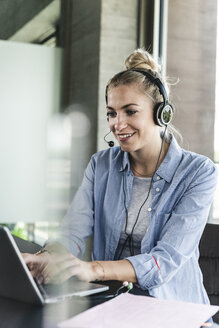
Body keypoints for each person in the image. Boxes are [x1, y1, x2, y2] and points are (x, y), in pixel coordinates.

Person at [23, 49, 217, 306]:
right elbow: (73, 230)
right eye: (112, 113)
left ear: (162, 114)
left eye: (130, 111)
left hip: (174, 308)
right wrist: (50, 256)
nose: (118, 123)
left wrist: (94, 269)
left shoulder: (198, 172)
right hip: (112, 304)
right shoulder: (101, 165)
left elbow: (164, 261)